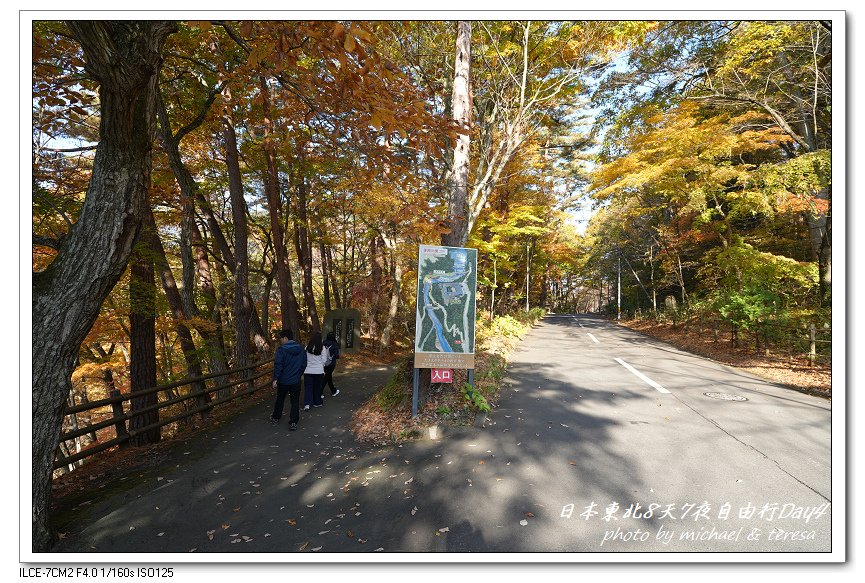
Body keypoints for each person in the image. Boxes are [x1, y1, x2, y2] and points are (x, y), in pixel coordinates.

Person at [271, 329, 307, 431]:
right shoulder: (301, 349)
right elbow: (304, 364)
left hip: (283, 380)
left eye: (281, 339)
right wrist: (299, 374)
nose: (280, 341)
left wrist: (275, 379)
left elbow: (278, 365)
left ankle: (276, 417)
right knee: (295, 401)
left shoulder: (281, 350)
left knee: (280, 399)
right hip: (296, 380)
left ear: (285, 338)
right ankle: (293, 422)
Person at [303, 332, 331, 410]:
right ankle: (317, 402)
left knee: (308, 387)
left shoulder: (307, 347)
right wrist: (320, 365)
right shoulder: (322, 348)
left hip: (308, 371)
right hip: (319, 371)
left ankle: (307, 404)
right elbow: (324, 360)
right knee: (317, 387)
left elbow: (304, 359)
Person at [323, 331, 341, 397]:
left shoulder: (323, 343)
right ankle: (319, 392)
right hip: (331, 363)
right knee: (326, 377)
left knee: (328, 377)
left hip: (324, 363)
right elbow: (337, 355)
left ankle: (333, 391)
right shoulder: (334, 344)